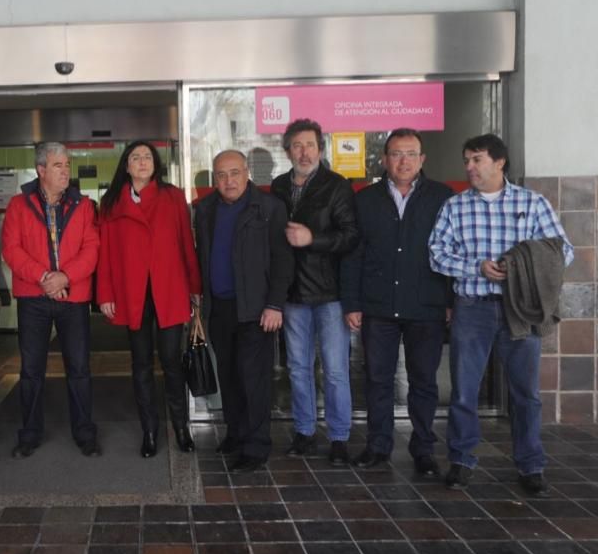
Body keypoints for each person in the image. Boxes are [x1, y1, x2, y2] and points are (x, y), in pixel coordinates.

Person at [429, 134, 573, 495]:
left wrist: (524, 268)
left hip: (519, 311)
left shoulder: (533, 203)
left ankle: (531, 465)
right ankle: (461, 461)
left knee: (526, 394)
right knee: (463, 392)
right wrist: (476, 267)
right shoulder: (455, 206)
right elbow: (436, 254)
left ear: (499, 162)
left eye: (477, 159)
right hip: (472, 309)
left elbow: (562, 252)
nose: (470, 167)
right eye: (467, 160)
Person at [340, 129, 454, 476]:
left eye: (410, 153)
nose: (403, 161)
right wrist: (352, 303)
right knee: (378, 378)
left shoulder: (442, 197)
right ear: (384, 159)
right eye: (396, 154)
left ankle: (423, 448)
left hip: (427, 305)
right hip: (378, 305)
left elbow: (452, 250)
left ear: (422, 159)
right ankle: (378, 445)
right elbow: (353, 255)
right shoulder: (365, 199)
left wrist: (450, 300)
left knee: (423, 381)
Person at [96, 141, 201, 458]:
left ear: (156, 164)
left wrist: (194, 287)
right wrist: (105, 293)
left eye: (147, 157)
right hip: (132, 292)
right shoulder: (111, 203)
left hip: (169, 289)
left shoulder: (172, 197)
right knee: (141, 364)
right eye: (135, 158)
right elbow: (105, 254)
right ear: (126, 166)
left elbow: (186, 244)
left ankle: (181, 427)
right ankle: (150, 431)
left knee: (171, 362)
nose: (142, 162)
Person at [194, 150, 294, 472]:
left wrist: (275, 304)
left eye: (234, 173)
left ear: (247, 172)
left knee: (254, 380)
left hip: (256, 310)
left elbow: (283, 261)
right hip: (220, 309)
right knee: (230, 377)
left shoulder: (269, 208)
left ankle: (256, 445)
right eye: (221, 175)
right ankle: (236, 435)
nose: (228, 181)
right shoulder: (205, 209)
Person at [2, 142, 101, 458]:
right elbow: (12, 250)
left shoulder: (84, 206)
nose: (65, 171)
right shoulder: (19, 205)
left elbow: (91, 250)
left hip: (73, 297)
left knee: (80, 368)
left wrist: (65, 277)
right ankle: (29, 434)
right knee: (31, 370)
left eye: (67, 165)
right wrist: (46, 278)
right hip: (34, 298)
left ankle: (85, 433)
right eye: (59, 166)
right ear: (41, 170)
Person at [271, 118, 359, 465]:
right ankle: (305, 431)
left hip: (329, 293)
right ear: (287, 150)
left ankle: (339, 437)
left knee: (335, 370)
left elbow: (351, 236)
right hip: (292, 294)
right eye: (297, 145)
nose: (304, 152)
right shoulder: (278, 187)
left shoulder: (337, 186)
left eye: (309, 145)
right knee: (297, 368)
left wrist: (313, 239)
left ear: (320, 148)